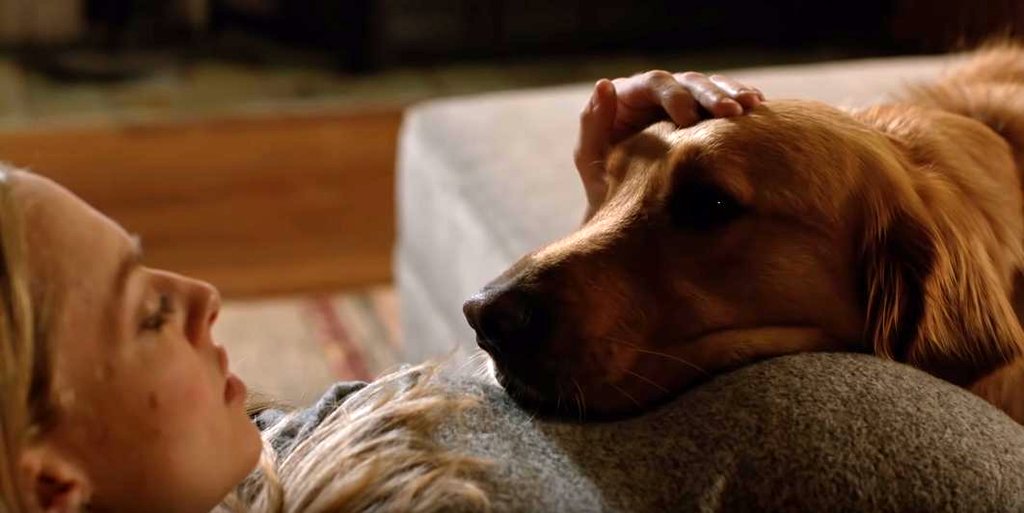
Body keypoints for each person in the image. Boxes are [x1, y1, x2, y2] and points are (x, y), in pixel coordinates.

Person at [0, 71, 763, 512]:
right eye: (150, 315)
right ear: (52, 482)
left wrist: (608, 208)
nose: (204, 296)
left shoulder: (234, 458)